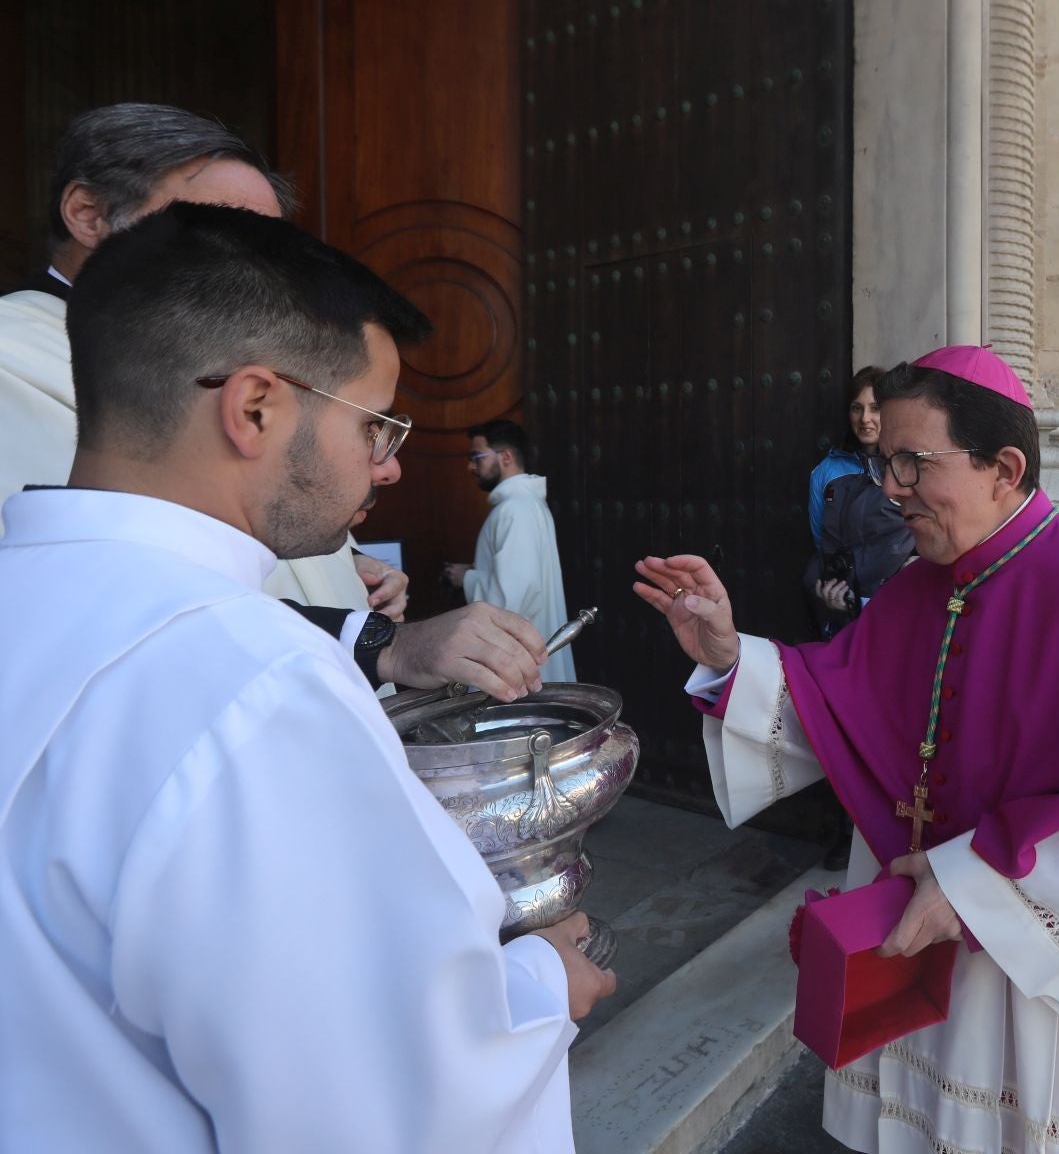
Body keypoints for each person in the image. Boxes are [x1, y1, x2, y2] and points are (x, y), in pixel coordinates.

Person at [0, 203, 614, 1150]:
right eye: (376, 427)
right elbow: (391, 1106)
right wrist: (542, 987)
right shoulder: (254, 685)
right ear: (254, 408)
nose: (391, 468)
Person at [634, 345, 1059, 1153]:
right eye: (882, 461)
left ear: (1003, 467)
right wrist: (728, 654)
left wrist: (968, 888)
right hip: (925, 951)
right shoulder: (914, 587)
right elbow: (834, 707)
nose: (887, 488)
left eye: (909, 462)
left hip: (1040, 970)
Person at [0, 102, 547, 702]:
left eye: (274, 243)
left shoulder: (225, 360)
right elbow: (92, 593)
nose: (263, 268)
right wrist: (374, 641)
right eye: (222, 230)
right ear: (88, 213)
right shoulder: (14, 354)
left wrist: (338, 568)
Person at [444, 420, 576, 682]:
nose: (471, 466)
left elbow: (514, 598)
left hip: (519, 659)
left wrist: (466, 579)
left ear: (505, 457)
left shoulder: (515, 510)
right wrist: (473, 570)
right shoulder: (523, 505)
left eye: (476, 457)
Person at [803, 365, 913, 638]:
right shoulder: (825, 472)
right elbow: (821, 539)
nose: (865, 418)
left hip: (899, 601)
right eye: (857, 408)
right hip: (844, 601)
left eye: (875, 408)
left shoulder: (911, 465)